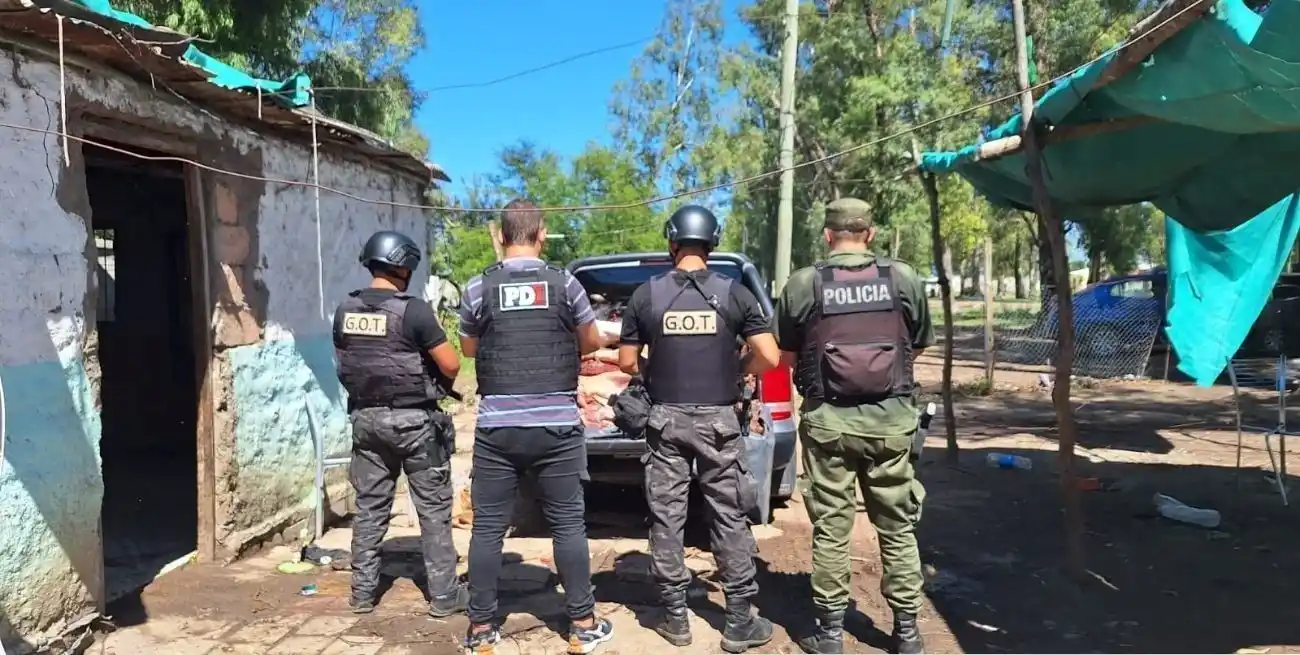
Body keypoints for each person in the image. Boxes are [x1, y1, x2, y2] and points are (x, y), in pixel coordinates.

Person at [617, 205, 782, 653]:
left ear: (672, 243)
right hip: (719, 423)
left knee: (666, 516)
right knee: (728, 514)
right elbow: (768, 356)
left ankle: (676, 619)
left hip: (666, 421)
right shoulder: (735, 295)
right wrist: (736, 367)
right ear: (711, 244)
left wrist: (655, 370)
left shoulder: (645, 296)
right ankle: (738, 622)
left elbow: (627, 363)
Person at [458, 199, 618, 655]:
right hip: (556, 426)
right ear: (541, 234)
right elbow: (589, 341)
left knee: (488, 528)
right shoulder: (564, 283)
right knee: (568, 523)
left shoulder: (477, 288)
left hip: (498, 427)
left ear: (501, 236)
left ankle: (481, 631)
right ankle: (583, 624)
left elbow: (469, 349)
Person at [774, 198, 933, 655]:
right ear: (871, 233)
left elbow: (785, 358)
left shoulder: (804, 284)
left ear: (828, 235)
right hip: (892, 423)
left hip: (829, 425)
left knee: (831, 527)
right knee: (898, 526)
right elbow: (915, 346)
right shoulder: (901, 277)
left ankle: (828, 635)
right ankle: (906, 633)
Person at [333, 230, 467, 617]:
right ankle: (443, 598)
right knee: (433, 511)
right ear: (403, 266)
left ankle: (361, 595)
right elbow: (452, 364)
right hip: (414, 424)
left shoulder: (346, 309)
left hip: (366, 420)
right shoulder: (415, 311)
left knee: (369, 508)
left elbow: (346, 359)